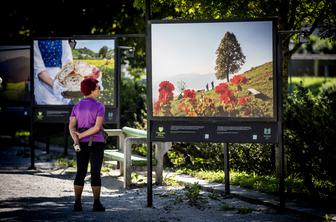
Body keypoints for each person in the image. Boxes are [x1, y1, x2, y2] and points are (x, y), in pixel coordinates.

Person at [69, 78, 106, 212]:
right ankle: (96, 203)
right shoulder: (99, 106)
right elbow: (97, 128)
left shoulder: (76, 106)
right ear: (92, 90)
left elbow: (71, 127)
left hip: (82, 145)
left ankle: (77, 203)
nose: (99, 90)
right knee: (95, 173)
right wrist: (82, 136)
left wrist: (77, 139)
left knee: (80, 172)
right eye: (98, 88)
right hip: (97, 143)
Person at [34, 39, 73, 104]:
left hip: (63, 83)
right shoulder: (36, 40)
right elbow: (40, 71)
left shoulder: (63, 40)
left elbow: (68, 63)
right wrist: (58, 87)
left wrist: (70, 86)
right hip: (45, 87)